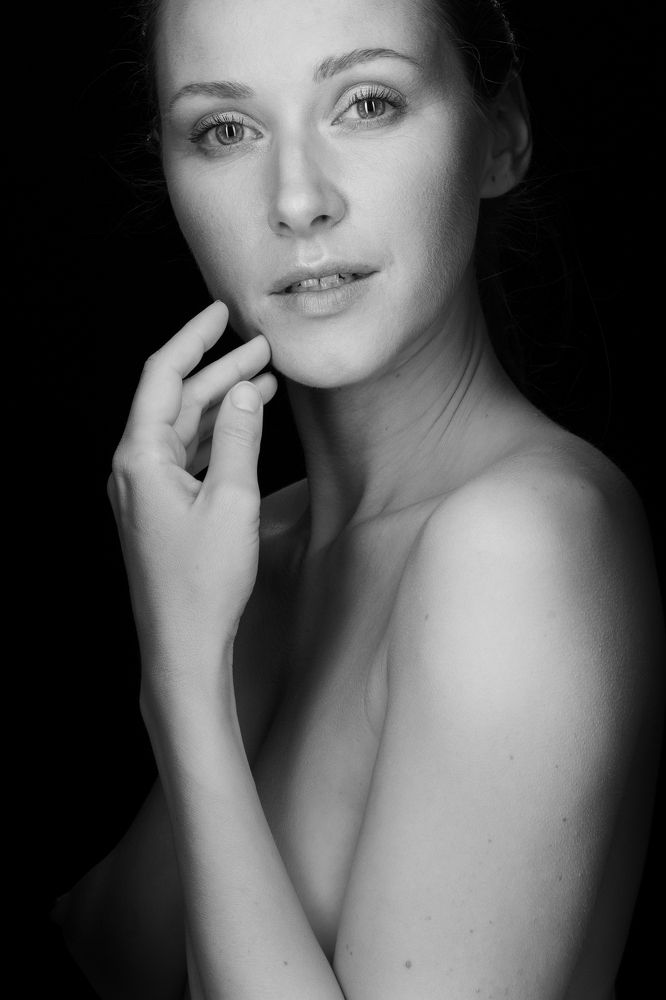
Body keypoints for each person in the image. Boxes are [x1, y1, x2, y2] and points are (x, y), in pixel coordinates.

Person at [52, 0, 664, 997]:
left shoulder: (516, 545)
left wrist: (183, 684)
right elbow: (105, 952)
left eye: (367, 103)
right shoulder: (247, 552)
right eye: (226, 129)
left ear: (500, 136)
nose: (297, 200)